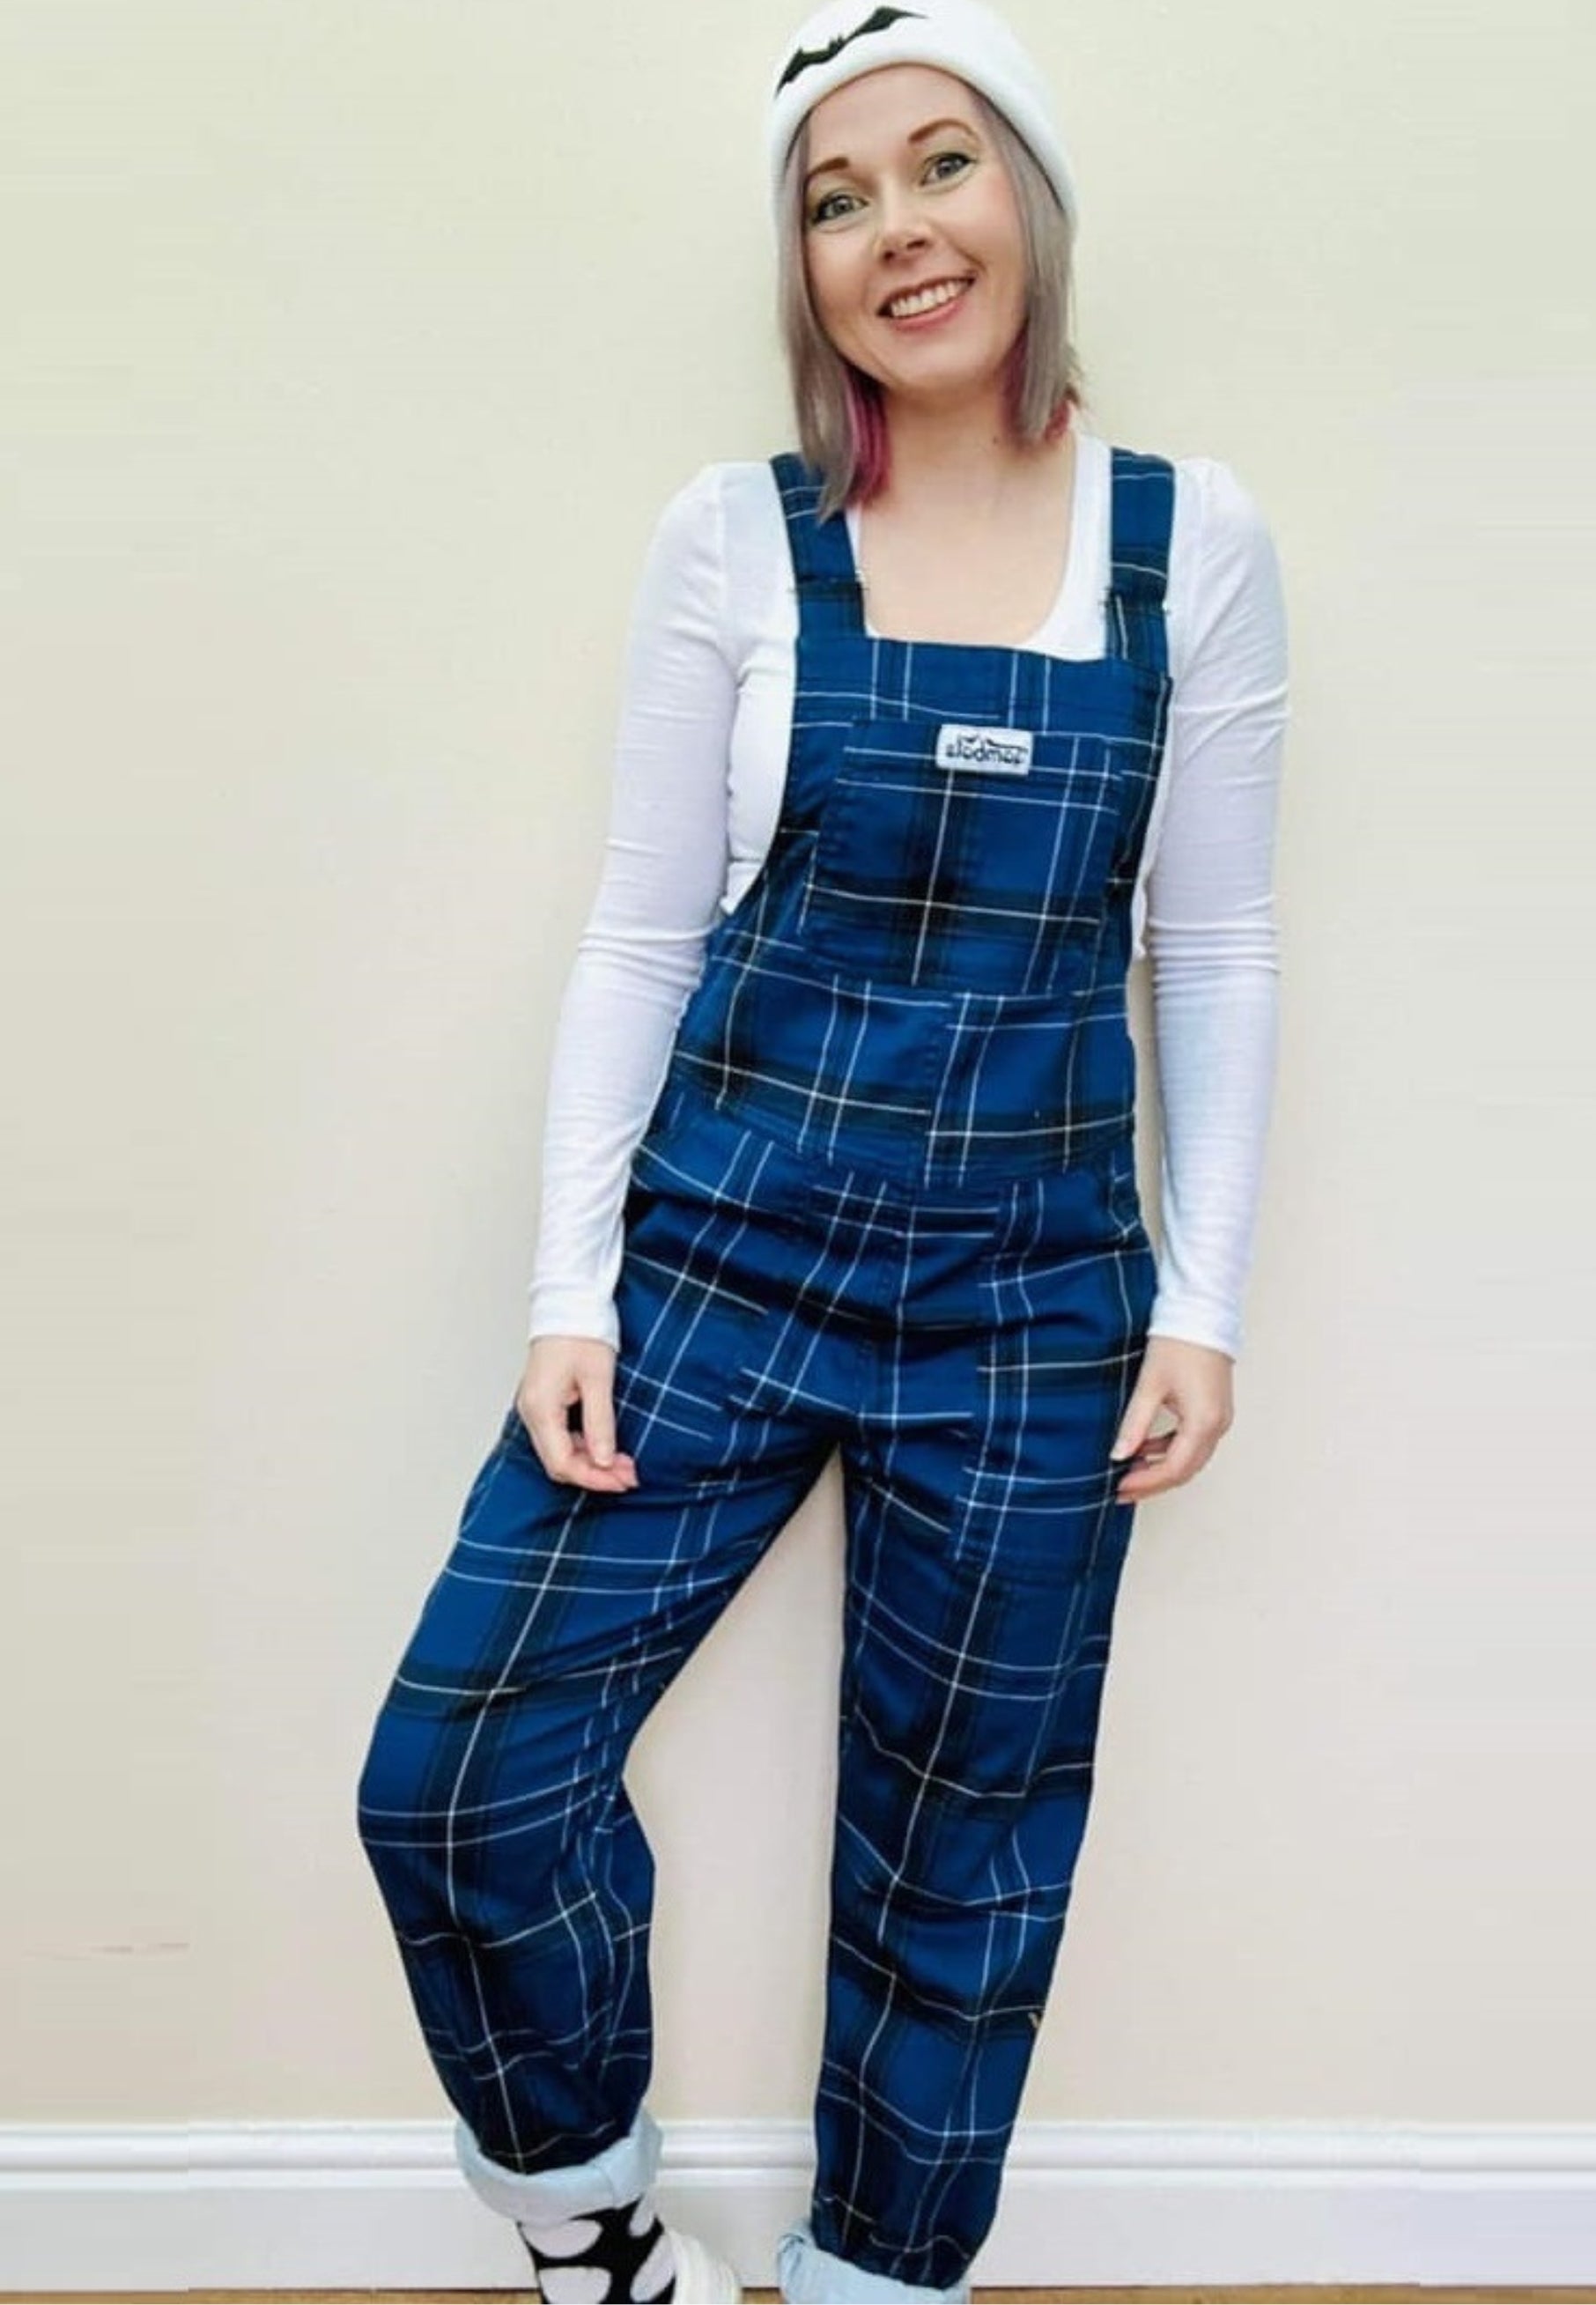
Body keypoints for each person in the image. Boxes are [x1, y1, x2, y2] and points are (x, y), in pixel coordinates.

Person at [356, 0, 1288, 2299]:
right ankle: (593, 2231)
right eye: (834, 198)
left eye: (941, 164)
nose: (896, 230)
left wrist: (1199, 1303)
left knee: (966, 1843)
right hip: (722, 1256)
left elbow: (1216, 947)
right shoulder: (734, 542)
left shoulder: (1190, 543)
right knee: (458, 1775)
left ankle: (880, 2277)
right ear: (804, 267)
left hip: (1033, 1300)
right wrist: (571, 1286)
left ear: (1029, 199)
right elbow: (640, 928)